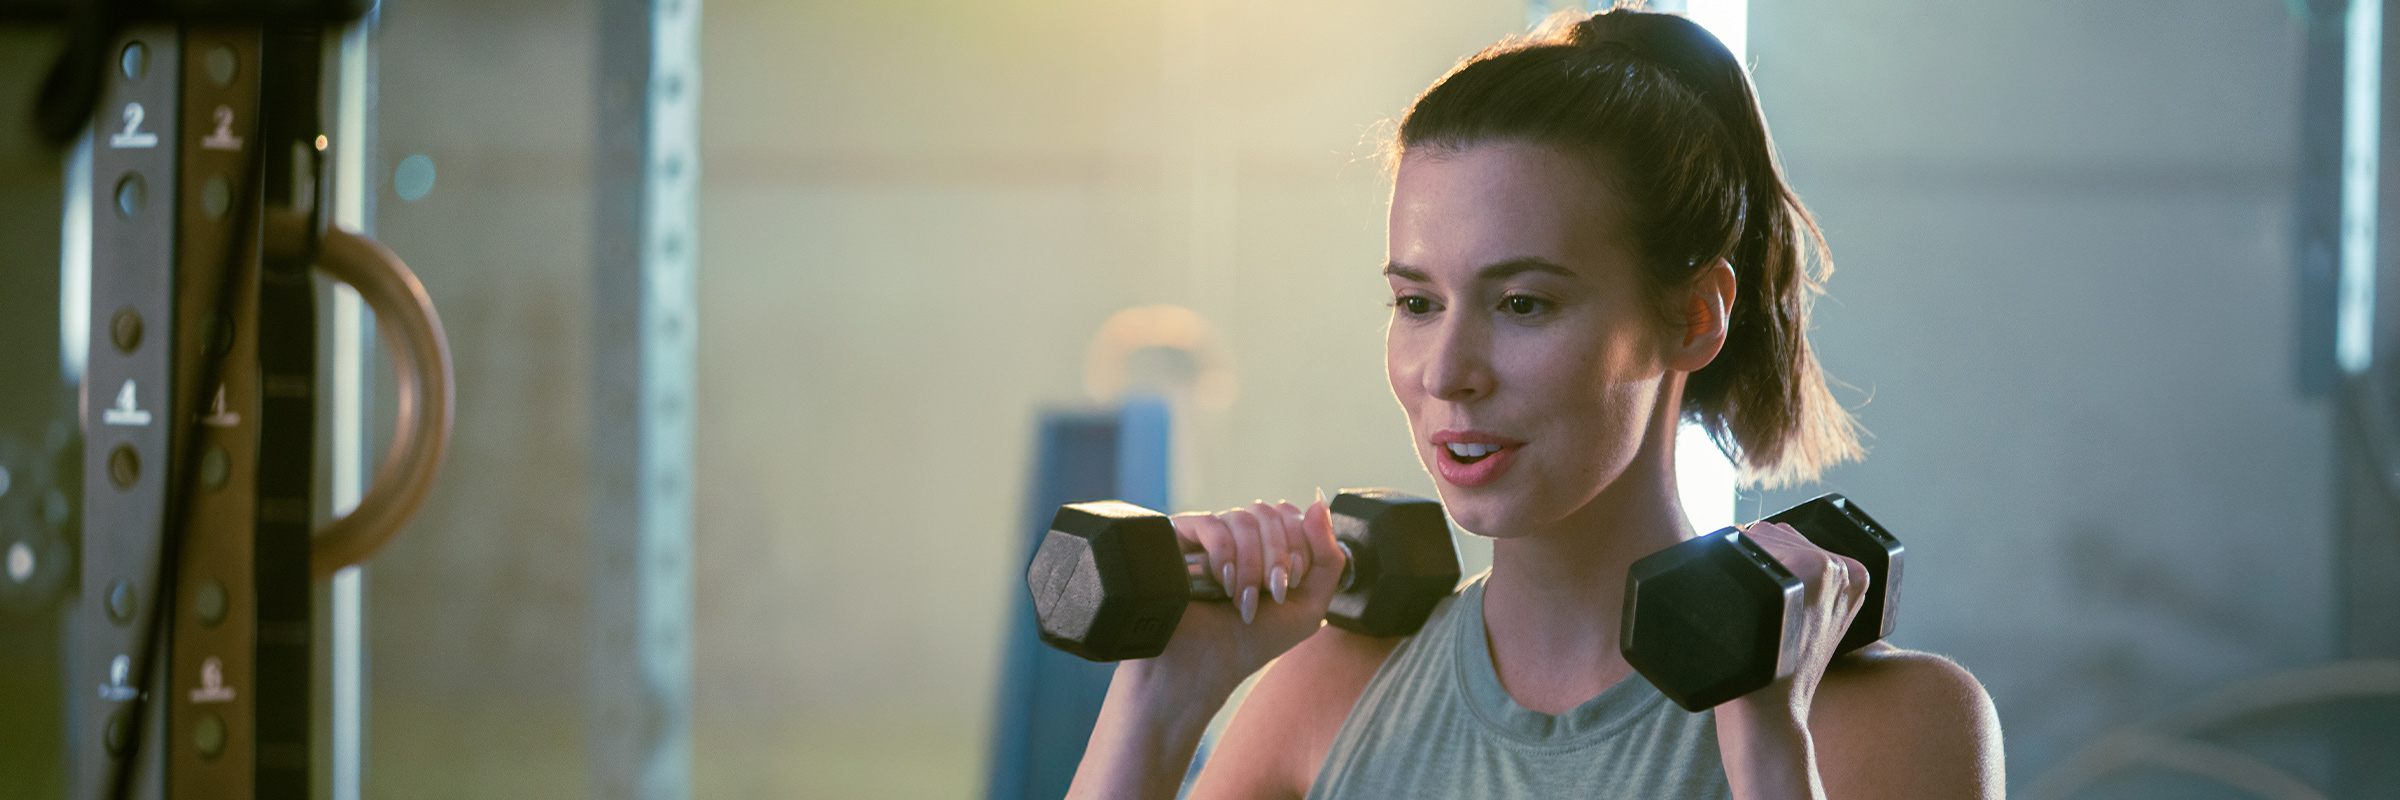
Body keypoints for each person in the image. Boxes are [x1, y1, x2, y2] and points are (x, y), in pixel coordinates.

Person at [1067, 8, 2005, 799]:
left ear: (1692, 318)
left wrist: (1766, 753)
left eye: (1524, 304)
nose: (1448, 372)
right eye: (1417, 303)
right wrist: (1161, 702)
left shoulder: (1884, 727)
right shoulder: (1324, 698)